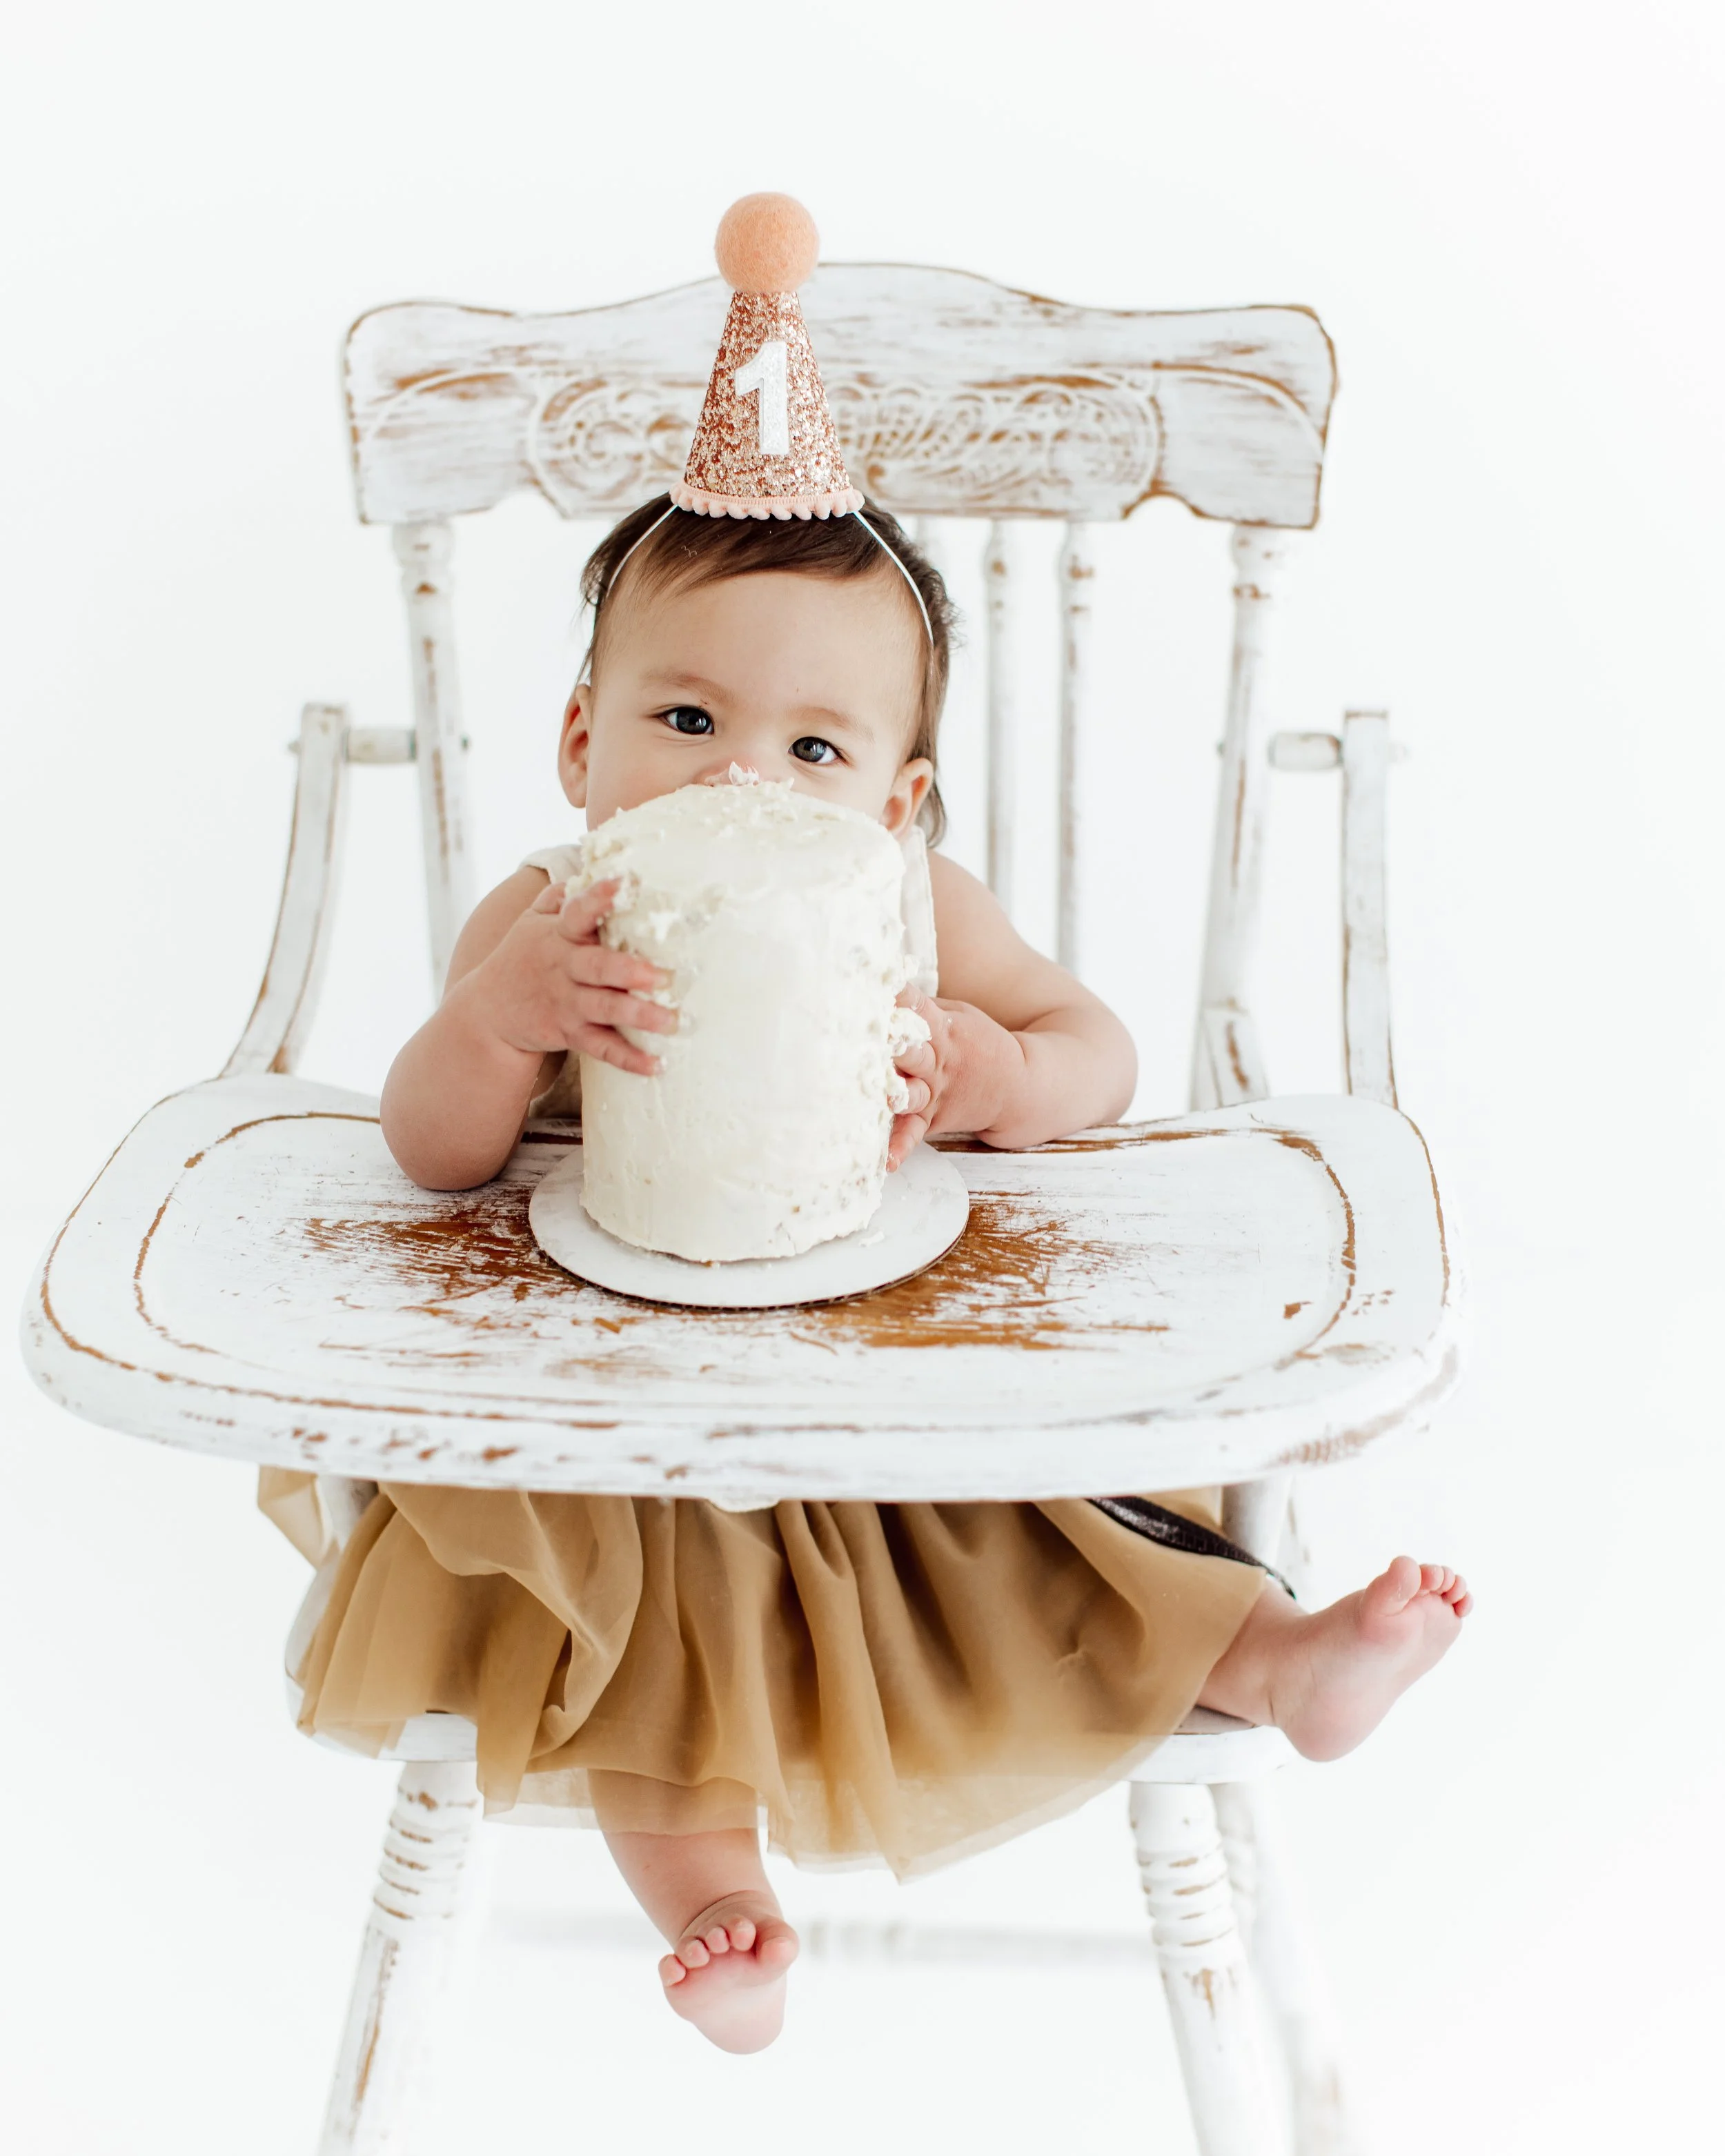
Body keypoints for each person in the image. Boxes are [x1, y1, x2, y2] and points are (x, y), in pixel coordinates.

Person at [290, 493, 1471, 2055]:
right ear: (582, 741)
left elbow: (1095, 1052)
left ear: (901, 799)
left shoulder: (921, 907)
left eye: (813, 750)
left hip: (888, 1349)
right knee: (626, 1604)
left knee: (1040, 1509)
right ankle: (712, 1883)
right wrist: (502, 1022)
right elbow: (432, 1149)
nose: (740, 778)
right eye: (687, 715)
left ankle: (1266, 1654)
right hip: (627, 1387)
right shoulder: (551, 917)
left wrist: (998, 1074)